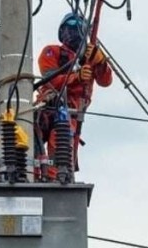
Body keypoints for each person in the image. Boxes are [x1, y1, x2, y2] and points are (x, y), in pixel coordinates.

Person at [36, 13, 113, 178]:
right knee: (32, 136)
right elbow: (50, 79)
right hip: (48, 107)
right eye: (68, 27)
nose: (72, 31)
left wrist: (100, 61)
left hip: (70, 113)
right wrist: (75, 77)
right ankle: (30, 173)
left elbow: (105, 81)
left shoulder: (89, 57)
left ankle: (57, 178)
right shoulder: (52, 52)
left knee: (62, 140)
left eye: (76, 26)